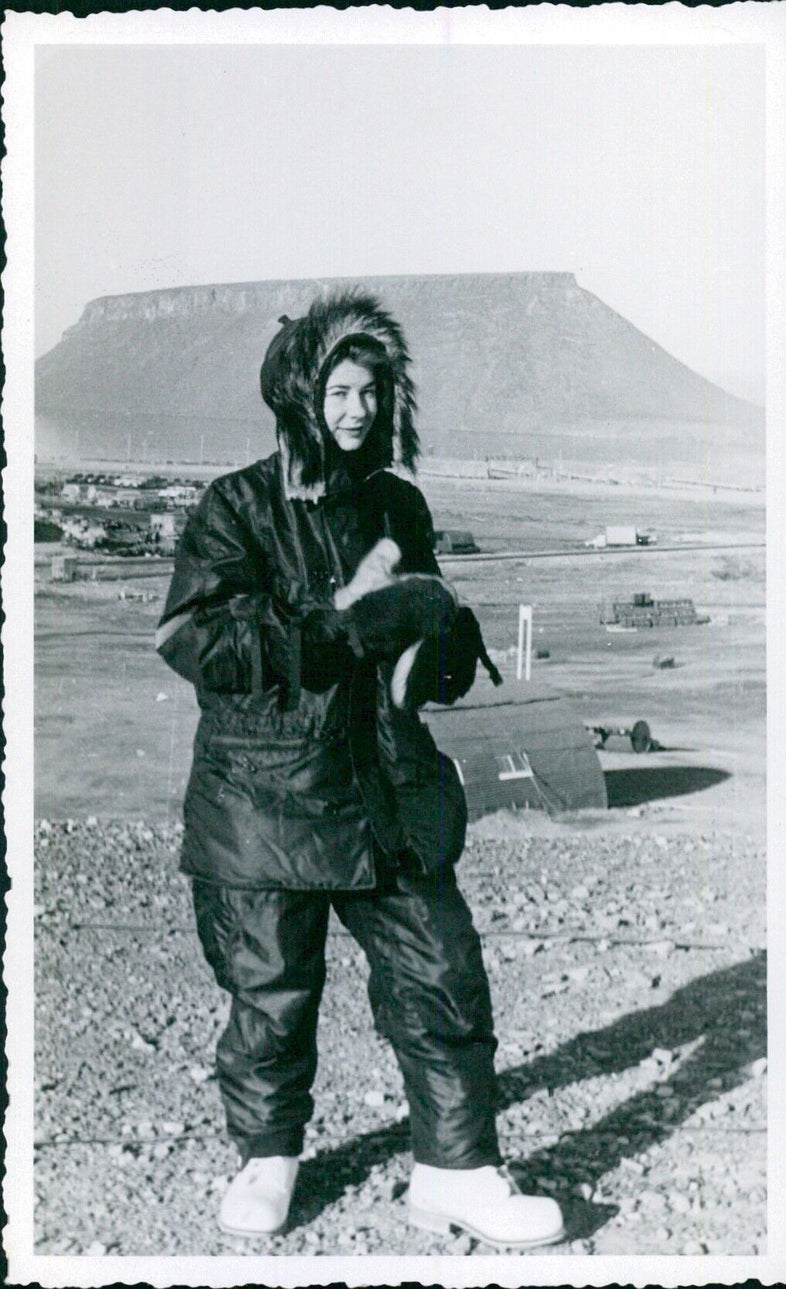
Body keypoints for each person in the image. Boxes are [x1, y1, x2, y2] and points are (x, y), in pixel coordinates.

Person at [156, 290, 564, 1249]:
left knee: (441, 967)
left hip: (385, 784)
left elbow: (421, 627)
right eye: (338, 390)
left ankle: (456, 1170)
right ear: (300, 395)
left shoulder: (395, 504)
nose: (356, 410)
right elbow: (190, 634)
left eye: (372, 392)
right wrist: (333, 627)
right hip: (266, 794)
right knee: (271, 984)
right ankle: (268, 1157)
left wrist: (441, 631)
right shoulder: (238, 505)